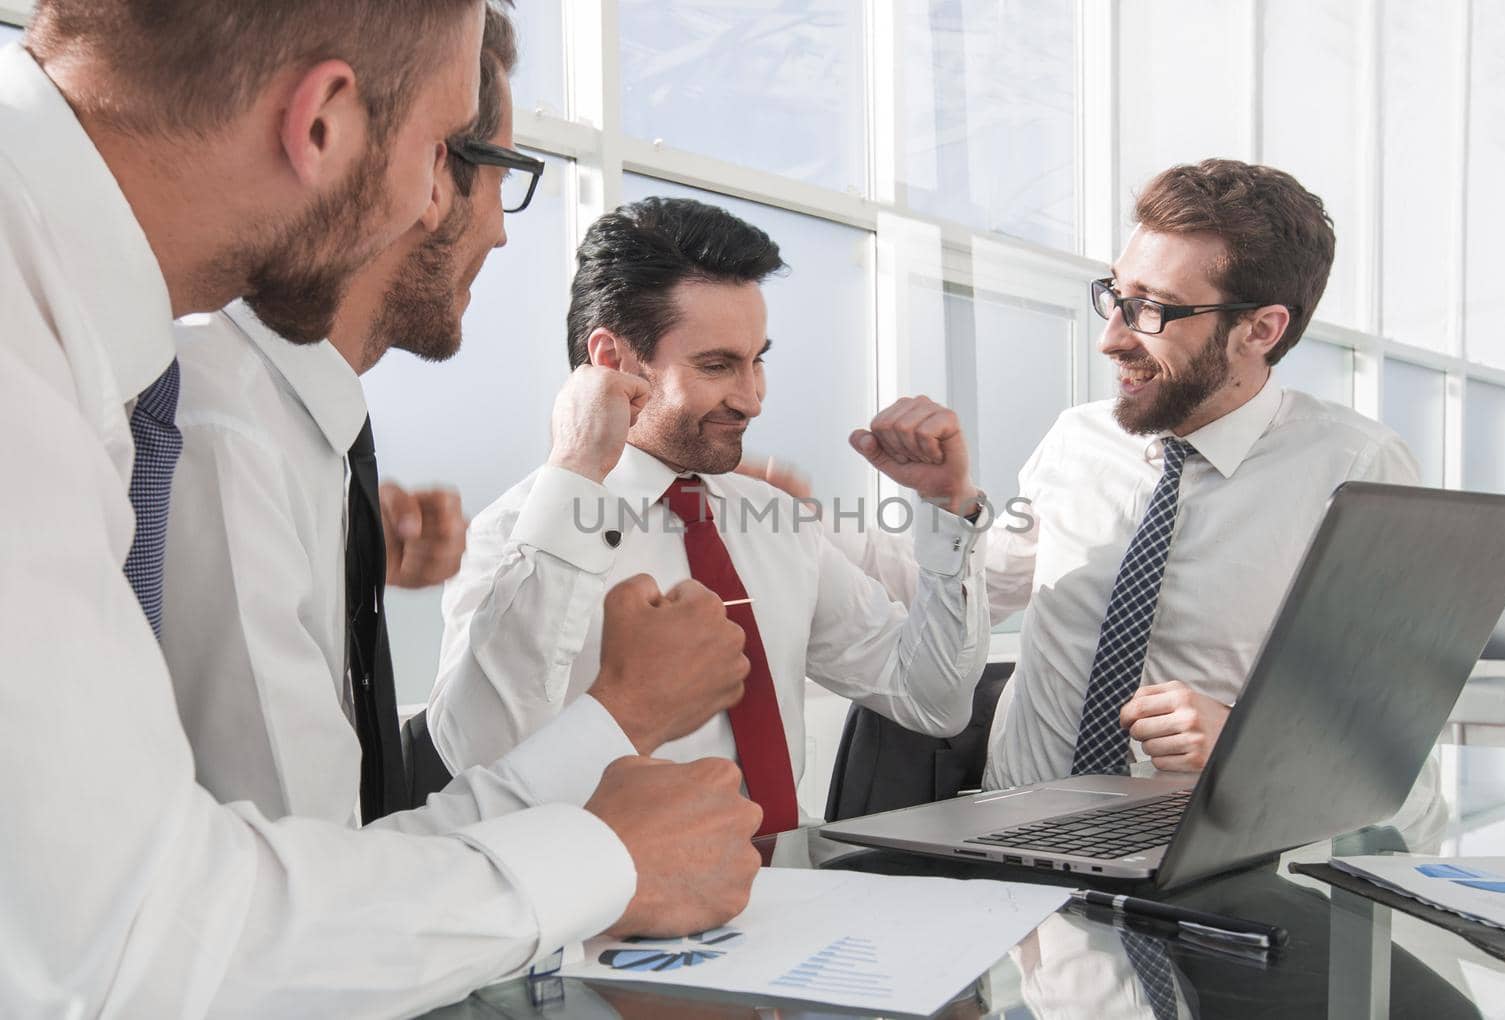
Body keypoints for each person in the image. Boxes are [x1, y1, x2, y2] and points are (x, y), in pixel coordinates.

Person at [0, 4, 757, 1015]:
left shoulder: (85, 348)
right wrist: (601, 852)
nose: (456, 209)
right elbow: (148, 937)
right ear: (322, 125)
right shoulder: (99, 388)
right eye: (440, 151)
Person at [757, 159, 1422, 791]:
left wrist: (1245, 742)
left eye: (1154, 309)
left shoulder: (1358, 470)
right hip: (1015, 833)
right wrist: (884, 513)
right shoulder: (1080, 437)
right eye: (1117, 294)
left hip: (1198, 858)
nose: (1111, 338)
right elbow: (981, 585)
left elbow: (1393, 718)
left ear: (1260, 330)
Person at [429, 196, 993, 836]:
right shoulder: (516, 534)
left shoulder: (776, 522)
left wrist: (947, 511)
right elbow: (475, 758)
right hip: (622, 910)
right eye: (718, 365)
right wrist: (576, 480)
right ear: (611, 360)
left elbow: (932, 700)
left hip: (798, 886)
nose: (752, 399)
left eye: (758, 360)